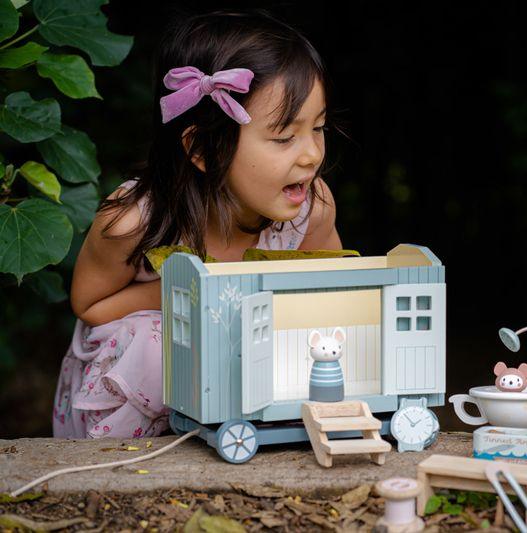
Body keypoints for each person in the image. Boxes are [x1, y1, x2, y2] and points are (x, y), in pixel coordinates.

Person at [52, 8, 343, 439]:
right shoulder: (133, 220)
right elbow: (89, 305)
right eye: (284, 138)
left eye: (317, 128)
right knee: (156, 344)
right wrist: (191, 291)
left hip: (240, 376)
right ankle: (118, 465)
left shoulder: (310, 209)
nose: (311, 155)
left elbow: (333, 296)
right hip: (133, 388)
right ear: (203, 149)